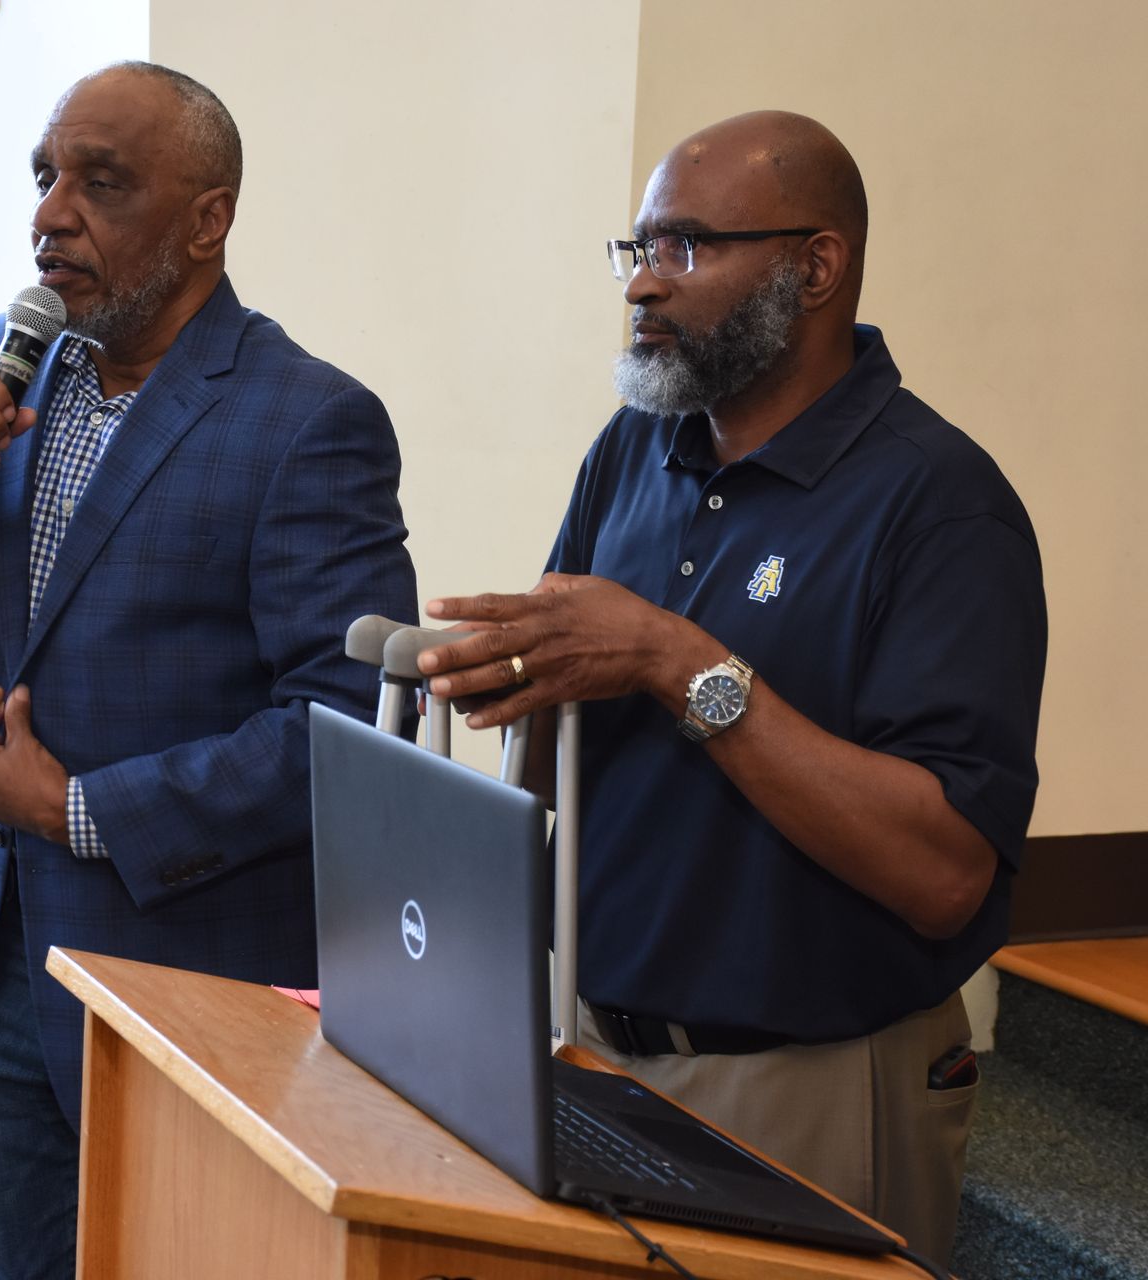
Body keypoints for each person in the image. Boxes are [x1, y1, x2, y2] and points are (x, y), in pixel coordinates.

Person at [0, 62, 416, 1276]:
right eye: (44, 176)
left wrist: (75, 807)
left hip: (180, 1005)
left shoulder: (305, 420)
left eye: (102, 182)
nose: (51, 214)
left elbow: (342, 730)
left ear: (207, 219)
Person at [414, 111, 1045, 1268]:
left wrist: (677, 663)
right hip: (588, 1040)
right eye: (638, 248)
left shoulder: (942, 505)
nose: (643, 284)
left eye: (687, 246)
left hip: (805, 1082)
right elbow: (561, 721)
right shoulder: (633, 448)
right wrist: (506, 678)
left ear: (817, 265)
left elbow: (946, 871)